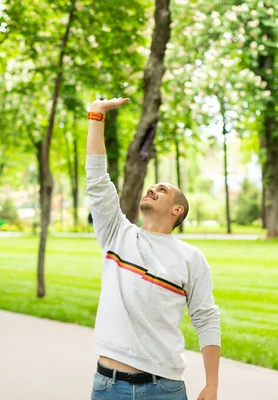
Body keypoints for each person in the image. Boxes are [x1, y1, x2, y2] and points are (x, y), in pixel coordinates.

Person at [86, 98, 221, 400]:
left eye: (163, 190)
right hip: (109, 387)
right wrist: (96, 115)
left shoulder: (191, 258)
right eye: (152, 186)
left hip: (165, 388)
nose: (152, 189)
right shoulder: (116, 233)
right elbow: (97, 181)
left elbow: (206, 318)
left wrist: (212, 384)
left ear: (177, 211)